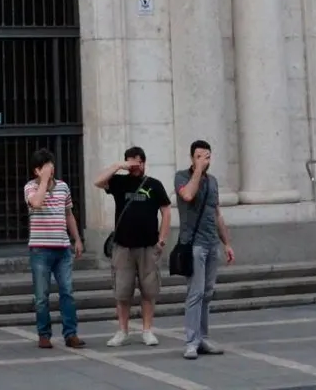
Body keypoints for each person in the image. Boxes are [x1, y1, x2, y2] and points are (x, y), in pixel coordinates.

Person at [94, 146, 172, 347]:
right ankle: (123, 330)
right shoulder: (119, 182)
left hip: (148, 246)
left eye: (138, 161)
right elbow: (98, 181)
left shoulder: (154, 185)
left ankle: (147, 330)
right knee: (122, 291)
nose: (134, 166)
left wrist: (162, 239)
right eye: (130, 162)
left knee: (149, 291)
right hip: (123, 247)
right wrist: (117, 166)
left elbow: (166, 211)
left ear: (144, 162)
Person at [172, 139, 234, 360]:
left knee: (207, 293)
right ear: (191, 158)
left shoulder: (213, 182)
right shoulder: (182, 176)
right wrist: (197, 170)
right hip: (194, 244)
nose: (203, 160)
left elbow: (217, 214)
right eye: (198, 156)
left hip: (211, 243)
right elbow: (187, 195)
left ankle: (203, 337)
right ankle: (191, 341)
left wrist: (226, 243)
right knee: (195, 293)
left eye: (206, 156)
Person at [24, 148, 84, 349]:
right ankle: (44, 334)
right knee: (42, 296)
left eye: (52, 166)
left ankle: (71, 333)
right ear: (37, 170)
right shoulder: (30, 187)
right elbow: (37, 202)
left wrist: (77, 239)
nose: (51, 170)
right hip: (40, 249)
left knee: (67, 291)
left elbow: (68, 214)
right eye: (46, 167)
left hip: (62, 248)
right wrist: (43, 181)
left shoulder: (63, 187)